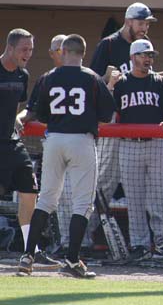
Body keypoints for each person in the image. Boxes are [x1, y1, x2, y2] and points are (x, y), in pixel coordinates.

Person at [18, 34, 115, 278]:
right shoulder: (92, 77)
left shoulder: (48, 77)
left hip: (54, 139)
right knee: (82, 203)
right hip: (81, 140)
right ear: (83, 52)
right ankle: (72, 260)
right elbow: (106, 115)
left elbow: (40, 114)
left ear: (63, 51)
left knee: (47, 199)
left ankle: (28, 255)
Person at [109, 39, 163, 263]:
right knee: (135, 199)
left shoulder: (160, 82)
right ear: (132, 58)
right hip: (128, 145)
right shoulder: (121, 83)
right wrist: (109, 86)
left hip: (156, 144)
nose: (148, 59)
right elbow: (105, 111)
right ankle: (139, 244)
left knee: (161, 196)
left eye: (151, 55)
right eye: (143, 55)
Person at [12, 32, 65, 268]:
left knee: (32, 192)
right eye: (24, 49)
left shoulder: (23, 75)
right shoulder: (41, 78)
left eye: (31, 50)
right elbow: (26, 109)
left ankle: (33, 250)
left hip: (13, 143)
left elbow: (24, 108)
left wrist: (18, 117)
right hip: (6, 143)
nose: (28, 54)